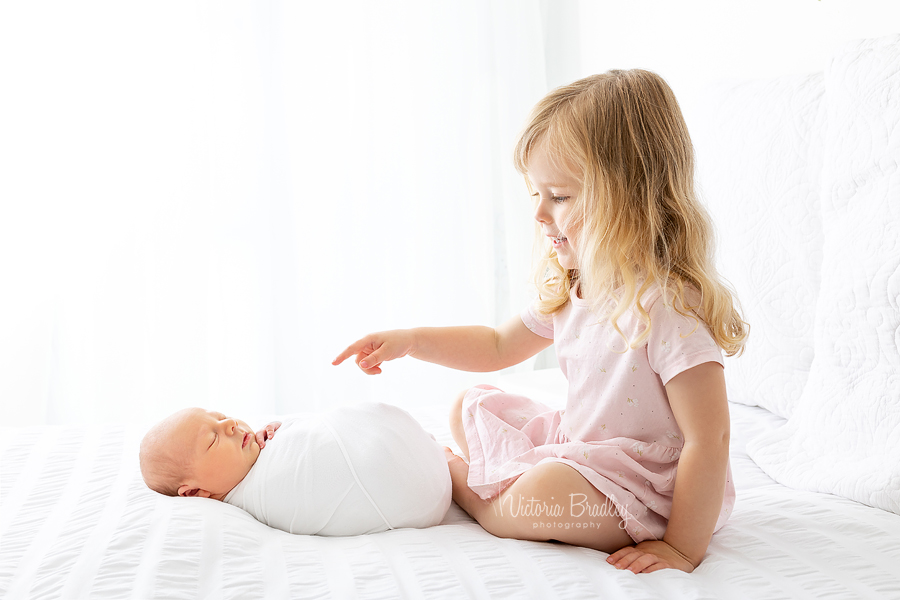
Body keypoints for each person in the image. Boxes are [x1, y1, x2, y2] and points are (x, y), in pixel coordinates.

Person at [332, 69, 748, 573]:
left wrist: (682, 547)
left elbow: (711, 439)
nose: (539, 214)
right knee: (473, 404)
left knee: (547, 489)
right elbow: (494, 346)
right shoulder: (576, 288)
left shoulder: (667, 307)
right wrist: (412, 340)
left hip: (649, 488)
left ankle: (477, 496)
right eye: (536, 194)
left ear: (630, 197)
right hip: (585, 449)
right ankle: (509, 476)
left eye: (560, 196)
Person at [139, 403, 452, 536]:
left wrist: (276, 431)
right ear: (196, 492)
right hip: (408, 483)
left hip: (418, 466)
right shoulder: (259, 499)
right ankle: (447, 459)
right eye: (213, 438)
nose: (230, 424)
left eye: (220, 417)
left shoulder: (241, 468)